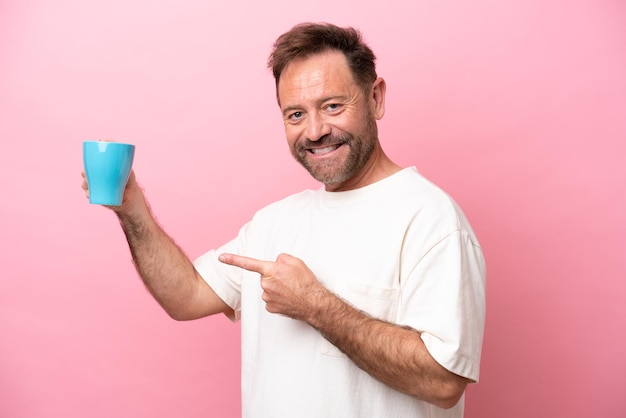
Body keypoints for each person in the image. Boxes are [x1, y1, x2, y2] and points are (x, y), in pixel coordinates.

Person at [82, 22, 486, 418]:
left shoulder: (430, 218)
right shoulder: (274, 221)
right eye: (295, 114)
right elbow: (186, 296)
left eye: (332, 106)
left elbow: (443, 382)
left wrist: (315, 305)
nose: (314, 131)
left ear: (376, 98)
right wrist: (131, 208)